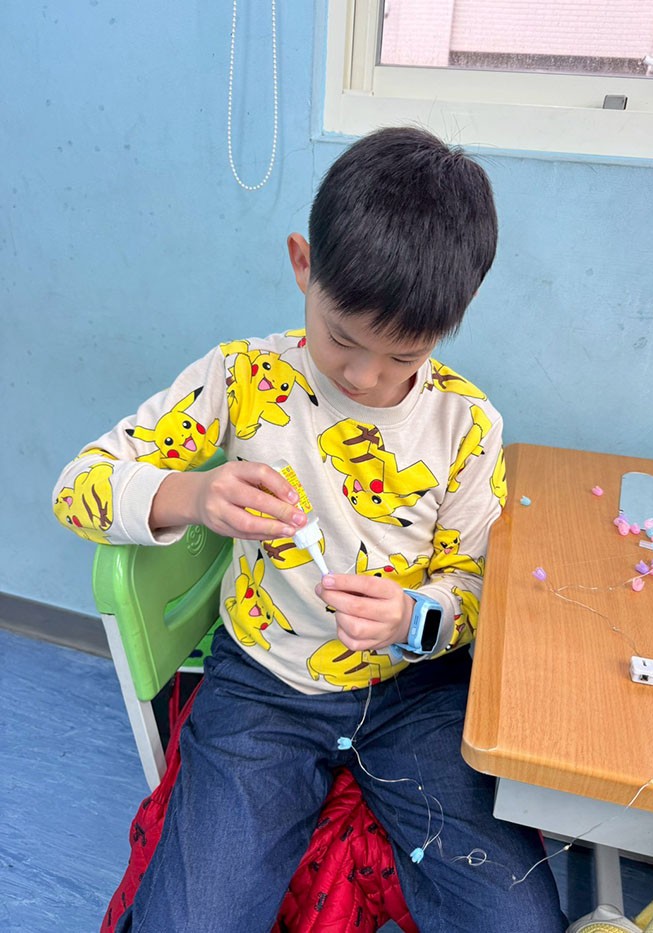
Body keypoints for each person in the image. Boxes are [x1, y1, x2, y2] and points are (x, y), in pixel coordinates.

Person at [53, 126, 568, 932]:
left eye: (402, 357)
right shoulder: (243, 379)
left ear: (449, 324)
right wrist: (192, 494)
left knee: (519, 920)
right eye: (342, 339)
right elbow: (77, 486)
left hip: (412, 692)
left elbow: (472, 587)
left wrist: (412, 617)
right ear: (303, 264)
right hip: (264, 686)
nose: (364, 377)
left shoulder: (467, 425)